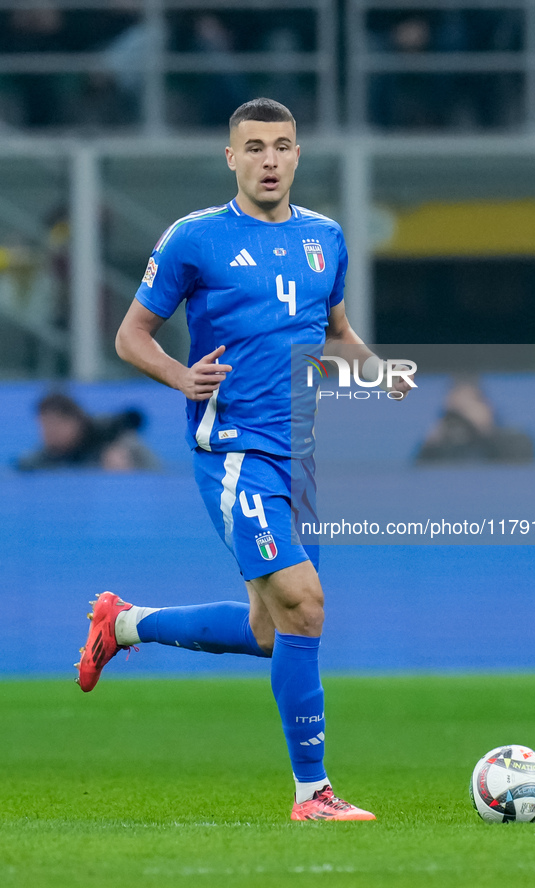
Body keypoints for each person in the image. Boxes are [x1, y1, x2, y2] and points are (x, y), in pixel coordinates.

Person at [75, 98, 412, 821]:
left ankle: (124, 623)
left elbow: (338, 332)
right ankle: (312, 794)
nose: (268, 159)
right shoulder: (195, 238)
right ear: (231, 157)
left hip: (299, 459)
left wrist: (377, 370)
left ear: (296, 157)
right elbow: (131, 336)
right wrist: (178, 375)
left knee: (274, 631)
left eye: (281, 146)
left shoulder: (324, 238)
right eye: (253, 146)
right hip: (233, 450)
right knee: (306, 604)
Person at [17, 392, 159, 472]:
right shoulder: (41, 459)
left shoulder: (119, 444)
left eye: (55, 425)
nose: (49, 432)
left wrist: (125, 473)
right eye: (44, 426)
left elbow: (157, 474)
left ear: (75, 422)